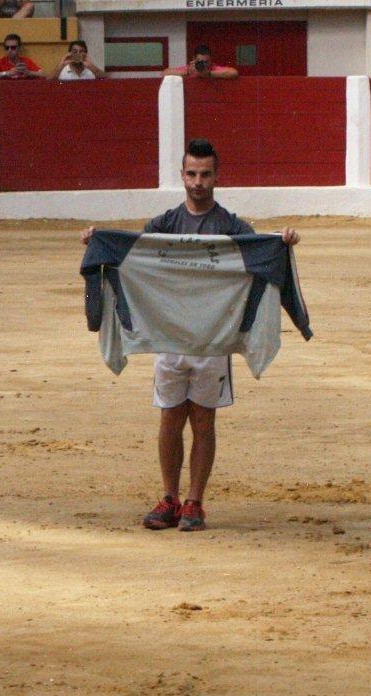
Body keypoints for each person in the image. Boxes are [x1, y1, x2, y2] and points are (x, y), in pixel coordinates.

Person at [79, 139, 300, 533]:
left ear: (217, 177)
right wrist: (99, 242)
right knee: (170, 418)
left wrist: (281, 241)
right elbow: (131, 258)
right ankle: (170, 497)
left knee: (202, 420)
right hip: (169, 339)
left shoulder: (232, 228)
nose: (198, 182)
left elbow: (262, 255)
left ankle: (194, 501)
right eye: (192, 174)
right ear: (182, 176)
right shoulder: (163, 225)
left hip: (213, 342)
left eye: (205, 174)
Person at [163, 44, 238, 79]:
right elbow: (165, 73)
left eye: (206, 62)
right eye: (200, 61)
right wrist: (187, 72)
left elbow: (233, 73)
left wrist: (209, 74)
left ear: (210, 60)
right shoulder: (190, 68)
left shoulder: (213, 68)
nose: (203, 64)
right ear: (194, 59)